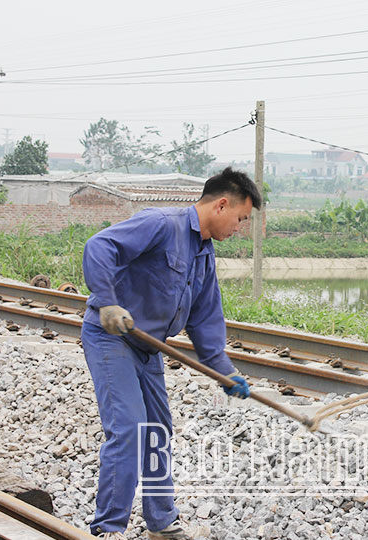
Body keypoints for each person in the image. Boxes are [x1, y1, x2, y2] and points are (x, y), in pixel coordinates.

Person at [81, 167, 261, 539]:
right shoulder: (161, 224)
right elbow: (99, 246)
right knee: (130, 429)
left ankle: (161, 523)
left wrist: (226, 371)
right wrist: (107, 302)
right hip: (112, 336)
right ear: (222, 204)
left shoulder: (204, 255)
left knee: (158, 431)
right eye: (241, 218)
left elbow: (207, 321)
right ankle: (107, 529)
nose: (240, 226)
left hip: (147, 349)